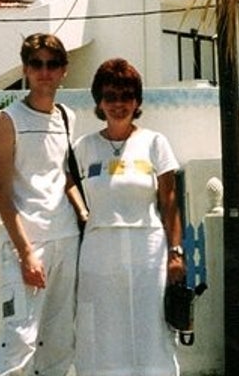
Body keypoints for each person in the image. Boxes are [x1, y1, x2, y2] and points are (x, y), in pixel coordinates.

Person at [73, 58, 185, 376]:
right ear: (99, 101)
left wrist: (175, 253)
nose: (118, 104)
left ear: (136, 101)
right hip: (99, 247)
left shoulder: (154, 143)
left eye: (126, 96)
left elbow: (169, 200)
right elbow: (66, 190)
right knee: (103, 326)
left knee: (150, 324)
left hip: (146, 246)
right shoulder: (84, 148)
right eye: (110, 96)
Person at [0, 33, 85, 376]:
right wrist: (26, 252)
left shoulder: (68, 117)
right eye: (37, 64)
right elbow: (2, 192)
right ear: (26, 69)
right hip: (29, 244)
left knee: (60, 343)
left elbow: (66, 177)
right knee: (20, 341)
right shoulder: (7, 120)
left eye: (52, 64)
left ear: (64, 70)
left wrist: (85, 215)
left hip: (67, 239)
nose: (45, 72)